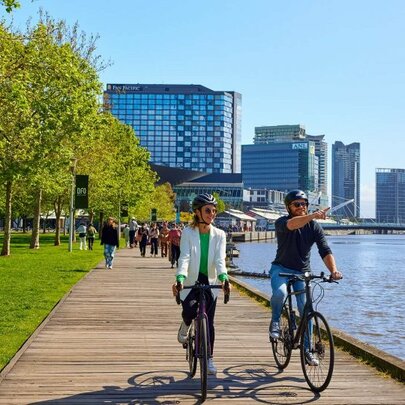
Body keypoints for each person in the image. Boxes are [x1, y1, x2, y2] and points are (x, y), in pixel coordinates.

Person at [269, 190, 343, 366]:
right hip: (281, 269)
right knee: (279, 293)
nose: (302, 207)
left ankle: (308, 350)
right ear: (289, 207)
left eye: (304, 204)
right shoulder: (282, 222)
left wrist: (334, 270)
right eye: (297, 204)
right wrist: (313, 215)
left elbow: (324, 250)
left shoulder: (314, 227)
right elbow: (293, 224)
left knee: (307, 311)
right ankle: (275, 322)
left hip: (302, 272)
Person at [172, 193, 230, 376]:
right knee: (189, 310)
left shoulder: (220, 234)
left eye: (214, 211)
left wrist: (224, 278)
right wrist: (180, 278)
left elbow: (220, 260)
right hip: (191, 279)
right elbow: (185, 257)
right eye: (208, 210)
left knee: (209, 322)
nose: (212, 214)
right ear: (197, 212)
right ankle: (185, 323)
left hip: (210, 280)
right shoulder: (188, 233)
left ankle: (209, 358)